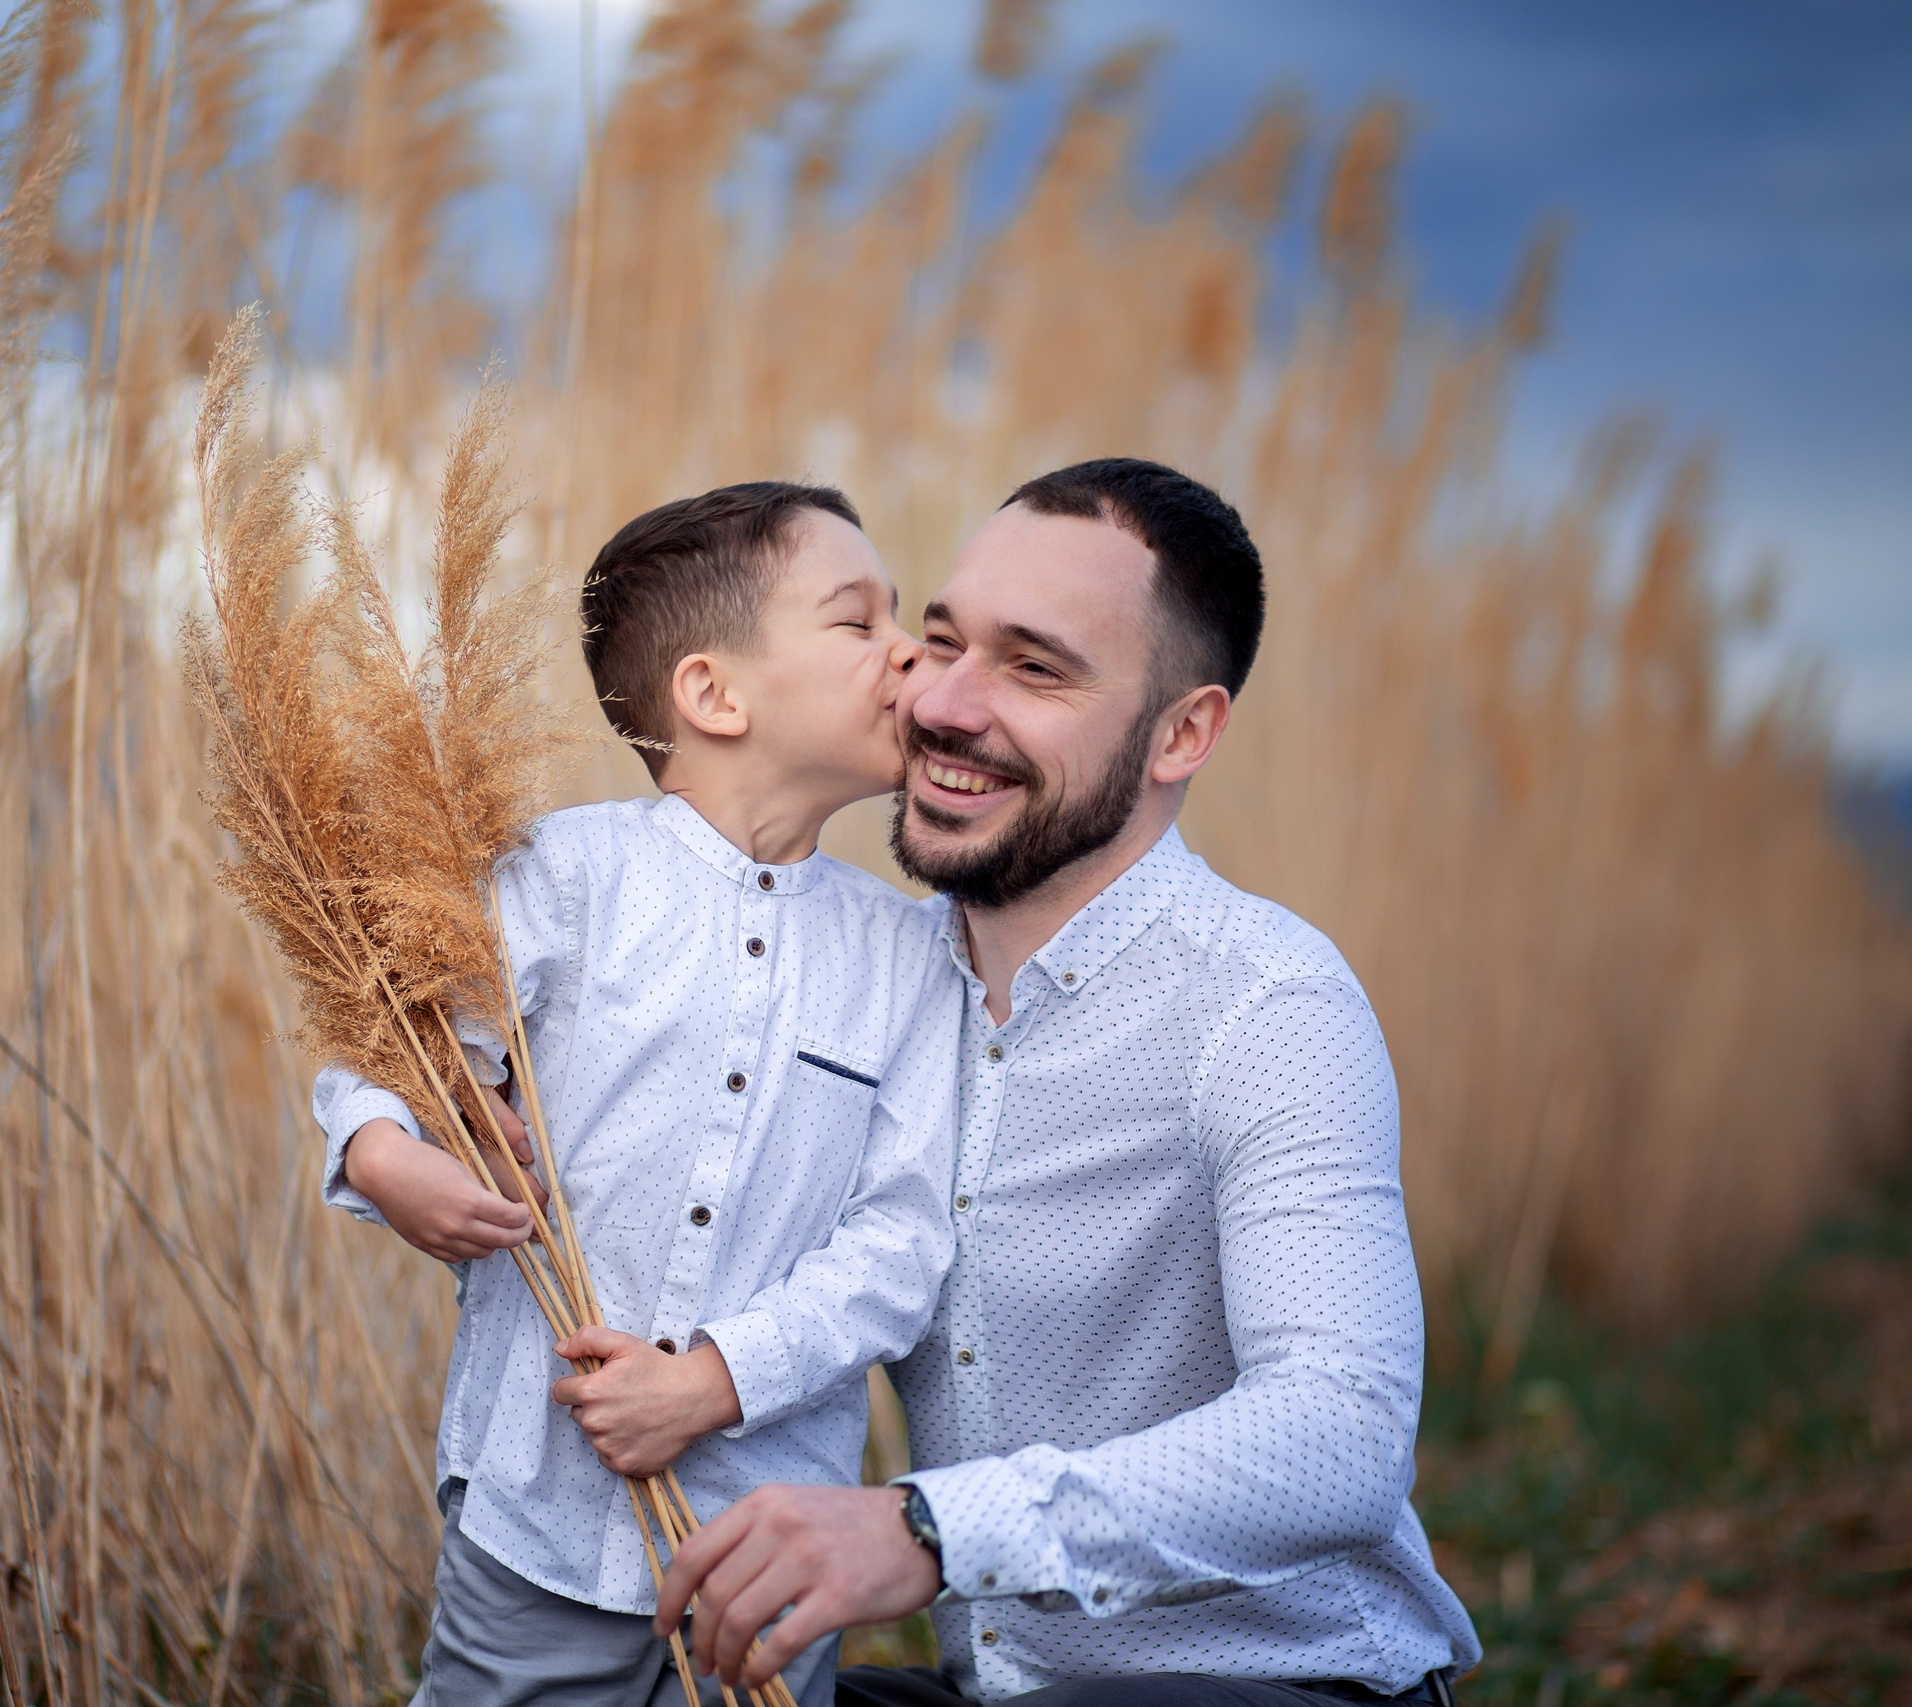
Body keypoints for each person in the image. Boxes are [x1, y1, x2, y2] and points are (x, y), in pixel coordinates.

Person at [652, 459, 1485, 1707]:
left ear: (1181, 733)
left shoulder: (1267, 1003)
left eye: (1033, 669)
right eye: (939, 641)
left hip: (1280, 1686)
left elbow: (1343, 1431)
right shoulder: (858, 987)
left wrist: (927, 1530)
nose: (947, 702)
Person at [315, 482, 966, 1707]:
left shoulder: (913, 957)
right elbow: (394, 1042)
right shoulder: (566, 878)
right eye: (856, 621)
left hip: (764, 1549)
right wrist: (382, 1154)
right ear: (715, 695)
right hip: (535, 1518)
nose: (910, 652)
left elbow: (905, 1237)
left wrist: (710, 1384)